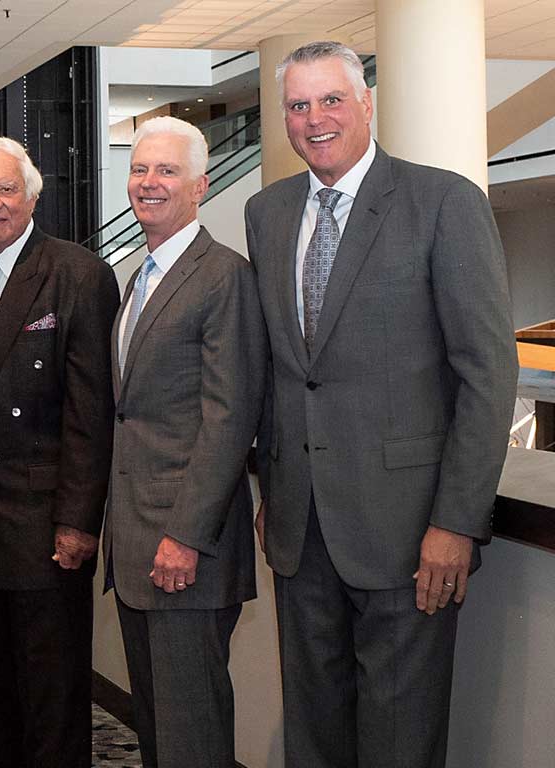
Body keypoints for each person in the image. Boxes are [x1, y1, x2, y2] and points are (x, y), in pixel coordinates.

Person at [246, 41, 517, 768]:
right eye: (298, 106)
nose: (315, 119)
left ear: (366, 103)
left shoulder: (443, 201)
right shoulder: (266, 213)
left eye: (331, 100)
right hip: (301, 533)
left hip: (409, 534)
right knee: (315, 737)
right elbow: (282, 370)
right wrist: (274, 486)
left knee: (401, 741)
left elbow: (487, 372)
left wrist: (456, 522)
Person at [0, 137, 118, 767]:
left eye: (5, 188)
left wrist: (78, 522)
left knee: (52, 704)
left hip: (43, 531)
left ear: (32, 194)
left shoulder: (78, 272)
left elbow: (91, 413)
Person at [103, 117, 266, 768]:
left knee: (192, 741)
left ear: (200, 186)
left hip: (184, 553)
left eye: (166, 171)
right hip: (139, 546)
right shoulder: (139, 279)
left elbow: (231, 416)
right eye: (140, 169)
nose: (149, 183)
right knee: (161, 738)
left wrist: (186, 535)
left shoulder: (223, 276)